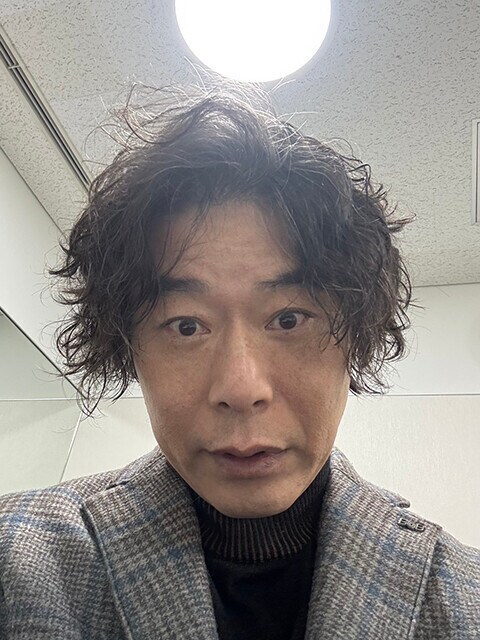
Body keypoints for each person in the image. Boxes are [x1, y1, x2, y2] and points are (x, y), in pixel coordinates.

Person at [0, 79, 478, 640]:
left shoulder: (464, 597)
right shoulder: (16, 560)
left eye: (289, 319)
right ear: (128, 348)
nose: (241, 388)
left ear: (356, 338)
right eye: (186, 325)